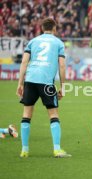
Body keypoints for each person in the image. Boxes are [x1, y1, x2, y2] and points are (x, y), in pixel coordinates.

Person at [16, 18, 71, 158]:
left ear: (42, 28)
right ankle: (57, 149)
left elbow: (24, 62)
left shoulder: (33, 41)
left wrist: (20, 83)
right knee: (53, 115)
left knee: (26, 115)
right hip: (46, 82)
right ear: (55, 28)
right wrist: (63, 86)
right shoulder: (58, 42)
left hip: (30, 79)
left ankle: (24, 150)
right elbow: (62, 65)